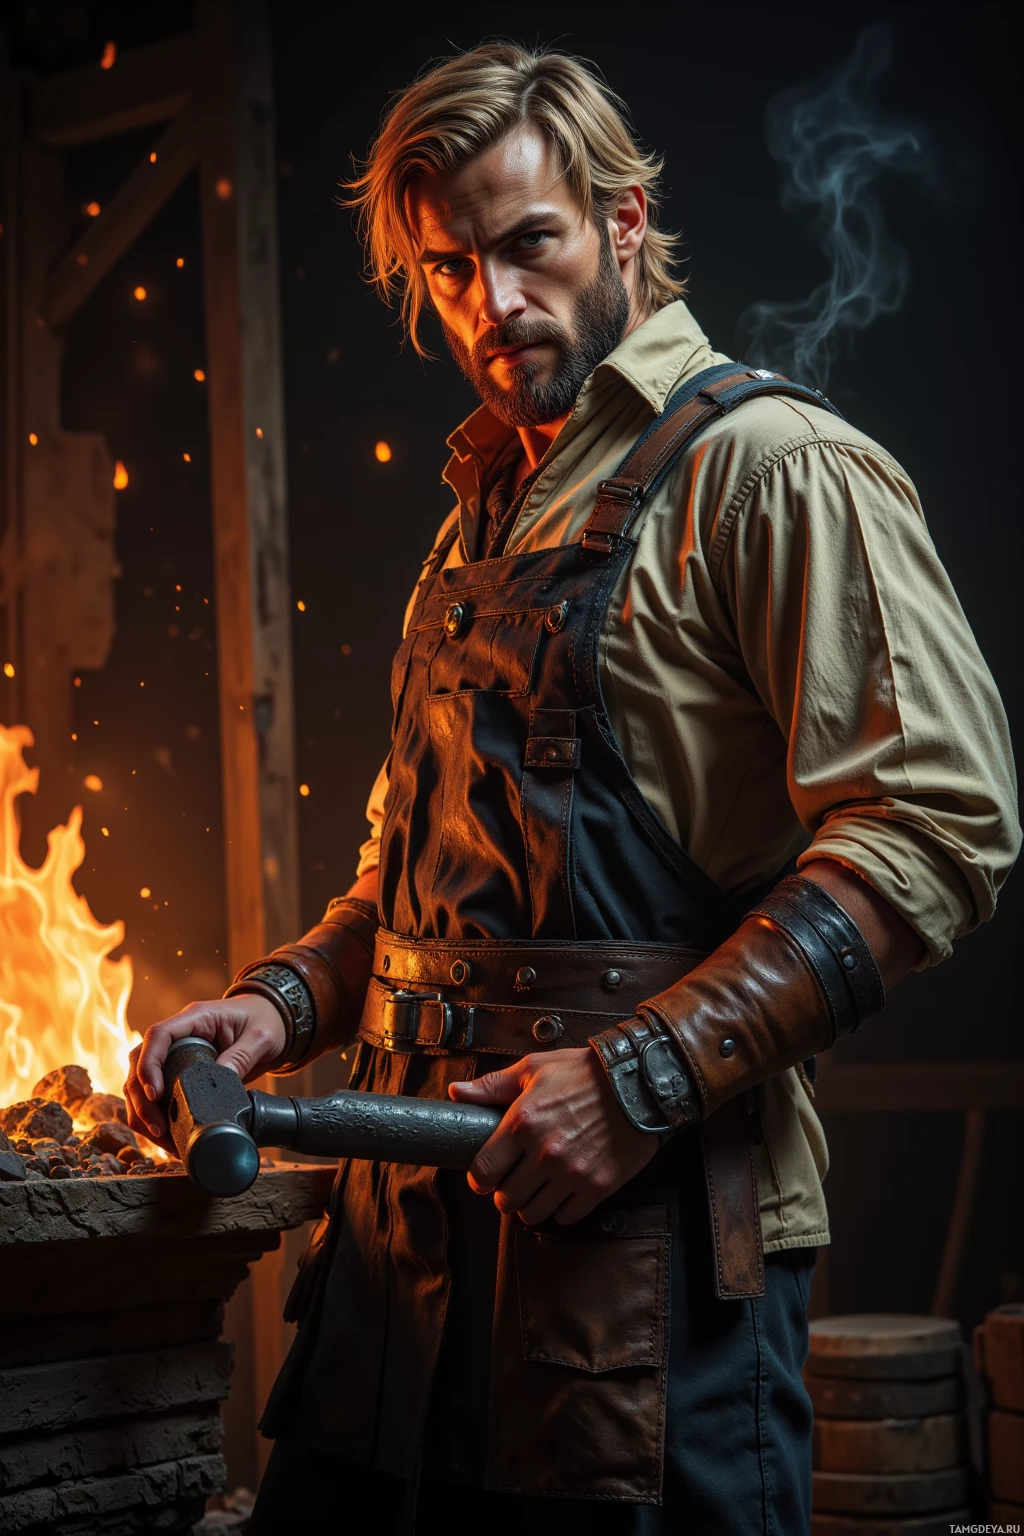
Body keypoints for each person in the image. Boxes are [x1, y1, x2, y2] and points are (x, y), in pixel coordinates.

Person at [125, 42, 1019, 1535]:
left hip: (649, 1264)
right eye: (451, 265)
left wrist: (640, 1078)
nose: (492, 305)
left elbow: (938, 824)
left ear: (621, 218)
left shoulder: (777, 471)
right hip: (403, 1250)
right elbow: (412, 873)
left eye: (527, 243)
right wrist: (281, 1003)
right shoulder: (485, 505)